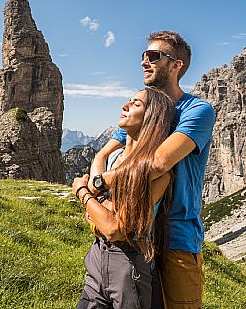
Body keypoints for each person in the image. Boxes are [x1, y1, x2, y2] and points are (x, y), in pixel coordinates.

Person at [88, 31, 215, 309]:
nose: (145, 62)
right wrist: (97, 179)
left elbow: (158, 163)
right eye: (143, 56)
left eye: (154, 56)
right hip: (138, 236)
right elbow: (104, 152)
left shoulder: (197, 111)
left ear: (176, 64)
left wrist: (99, 182)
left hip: (176, 238)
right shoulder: (148, 111)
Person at [73, 87, 176, 309]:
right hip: (97, 255)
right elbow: (96, 217)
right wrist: (97, 204)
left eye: (136, 104)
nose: (125, 106)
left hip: (129, 264)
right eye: (129, 100)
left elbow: (114, 228)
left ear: (152, 120)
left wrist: (82, 191)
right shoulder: (116, 159)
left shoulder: (158, 174)